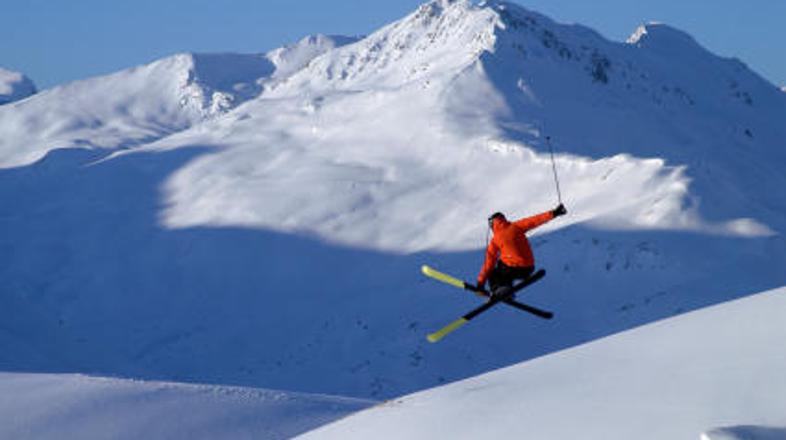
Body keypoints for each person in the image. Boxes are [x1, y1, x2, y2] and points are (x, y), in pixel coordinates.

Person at [476, 204, 567, 297]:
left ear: (492, 225)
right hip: (528, 268)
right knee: (503, 266)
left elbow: (489, 263)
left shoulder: (495, 240)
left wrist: (480, 284)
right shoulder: (516, 226)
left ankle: (501, 290)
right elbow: (535, 220)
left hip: (512, 270)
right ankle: (505, 289)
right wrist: (555, 213)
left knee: (494, 272)